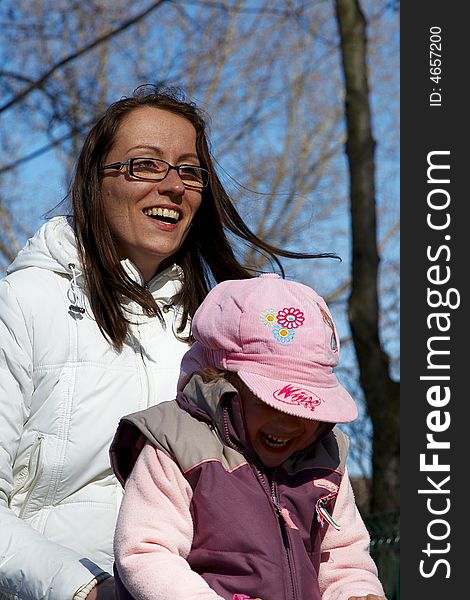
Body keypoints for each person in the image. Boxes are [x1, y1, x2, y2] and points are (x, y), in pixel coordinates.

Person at [0, 86, 333, 600]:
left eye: (189, 170)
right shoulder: (22, 304)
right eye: (145, 165)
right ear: (96, 181)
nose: (173, 186)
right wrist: (86, 590)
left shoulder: (221, 332)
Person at [111, 274, 387, 600]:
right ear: (224, 383)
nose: (289, 424)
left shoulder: (325, 464)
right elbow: (147, 552)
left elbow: (344, 558)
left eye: (308, 409)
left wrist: (356, 592)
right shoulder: (178, 446)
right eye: (270, 403)